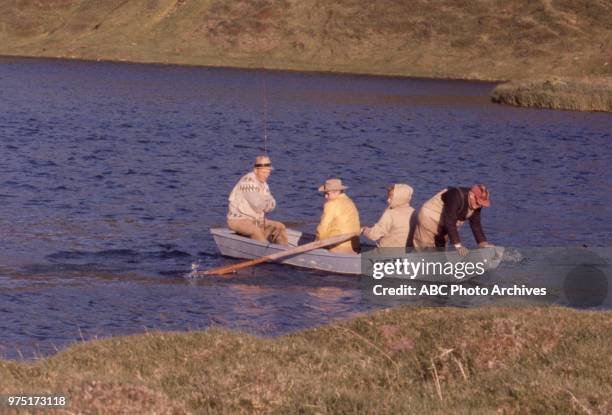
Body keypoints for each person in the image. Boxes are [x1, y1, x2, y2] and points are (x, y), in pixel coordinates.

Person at [412, 184, 493, 256]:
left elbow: (476, 224)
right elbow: (450, 222)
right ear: (471, 195)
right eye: (478, 201)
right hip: (429, 218)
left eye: (482, 203)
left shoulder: (477, 205)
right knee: (423, 251)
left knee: (441, 252)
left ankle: (437, 268)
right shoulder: (455, 195)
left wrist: (483, 244)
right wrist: (458, 246)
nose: (479, 205)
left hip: (445, 224)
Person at [227, 155, 288, 245]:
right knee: (255, 230)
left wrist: (266, 204)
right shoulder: (248, 181)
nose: (267, 175)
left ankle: (284, 250)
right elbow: (257, 205)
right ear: (256, 170)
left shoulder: (264, 185)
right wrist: (267, 203)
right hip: (238, 220)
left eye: (268, 172)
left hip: (256, 220)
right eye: (264, 172)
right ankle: (265, 250)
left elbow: (273, 204)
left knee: (280, 227)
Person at [362, 183, 416, 248]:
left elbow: (374, 235)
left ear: (398, 198)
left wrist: (363, 230)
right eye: (388, 197)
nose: (388, 200)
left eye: (391, 198)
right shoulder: (414, 212)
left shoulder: (390, 214)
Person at [315, 178, 361, 254]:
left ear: (336, 192)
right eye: (325, 194)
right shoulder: (350, 202)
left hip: (338, 246)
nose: (325, 197)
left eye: (327, 194)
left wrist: (317, 241)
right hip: (354, 245)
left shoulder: (331, 204)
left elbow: (323, 227)